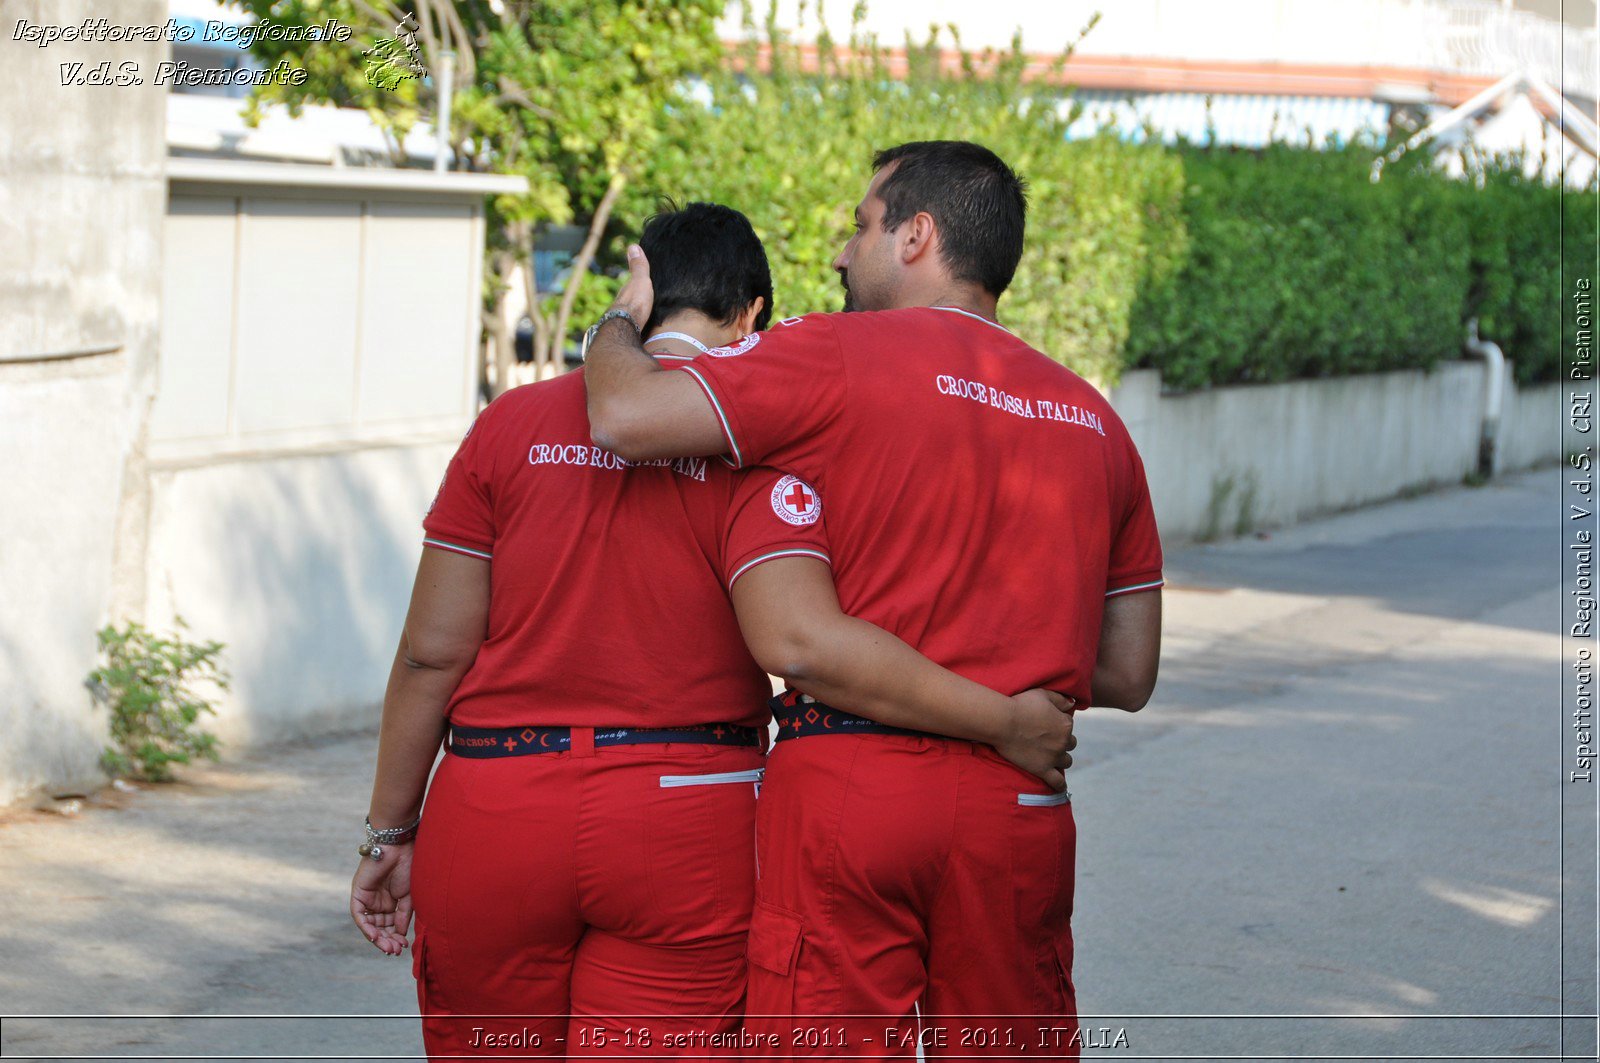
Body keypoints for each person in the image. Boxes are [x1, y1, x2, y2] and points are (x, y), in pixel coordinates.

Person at [348, 201, 1076, 1061]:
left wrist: (391, 830)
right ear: (752, 316)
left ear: (641, 297)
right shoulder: (756, 449)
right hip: (686, 819)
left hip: (497, 806)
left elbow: (433, 653)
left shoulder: (508, 427)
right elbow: (804, 633)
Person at [584, 142, 1164, 1058]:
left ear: (916, 236)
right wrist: (1004, 649)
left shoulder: (830, 354)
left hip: (856, 791)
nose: (841, 254)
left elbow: (622, 418)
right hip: (1020, 806)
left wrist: (617, 324)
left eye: (861, 225)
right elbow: (1129, 671)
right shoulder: (1096, 420)